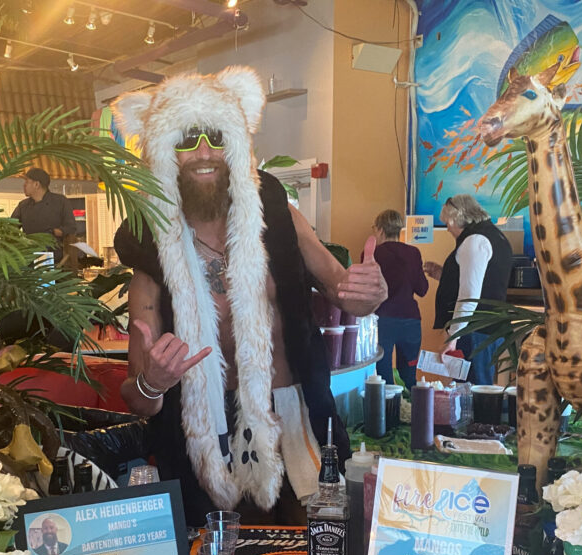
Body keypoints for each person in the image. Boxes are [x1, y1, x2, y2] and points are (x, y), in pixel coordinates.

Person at [111, 67, 387, 528]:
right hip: (204, 429)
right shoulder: (151, 244)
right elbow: (139, 398)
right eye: (186, 140)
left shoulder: (275, 211)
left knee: (318, 544)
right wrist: (153, 383)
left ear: (235, 142)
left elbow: (344, 289)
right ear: (163, 151)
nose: (203, 153)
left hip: (295, 414)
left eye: (216, 137)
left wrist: (370, 292)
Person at [425, 194, 512, 385]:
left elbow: (469, 295)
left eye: (447, 222)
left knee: (471, 392)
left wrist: (453, 336)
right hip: (486, 328)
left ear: (456, 218)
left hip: (474, 331)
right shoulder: (494, 235)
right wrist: (442, 274)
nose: (447, 228)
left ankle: (478, 417)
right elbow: (484, 280)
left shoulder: (474, 241)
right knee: (477, 389)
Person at [369, 210, 428, 388]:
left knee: (383, 376)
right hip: (411, 322)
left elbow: (369, 290)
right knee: (409, 376)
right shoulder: (413, 253)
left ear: (380, 230)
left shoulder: (373, 254)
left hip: (382, 321)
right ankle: (414, 412)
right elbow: (422, 289)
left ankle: (388, 414)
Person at [11, 167, 77, 266]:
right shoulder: (23, 206)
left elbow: (71, 227)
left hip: (55, 260)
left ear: (36, 184)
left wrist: (55, 231)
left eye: (27, 182)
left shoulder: (60, 202)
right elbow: (11, 228)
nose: (24, 185)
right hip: (28, 258)